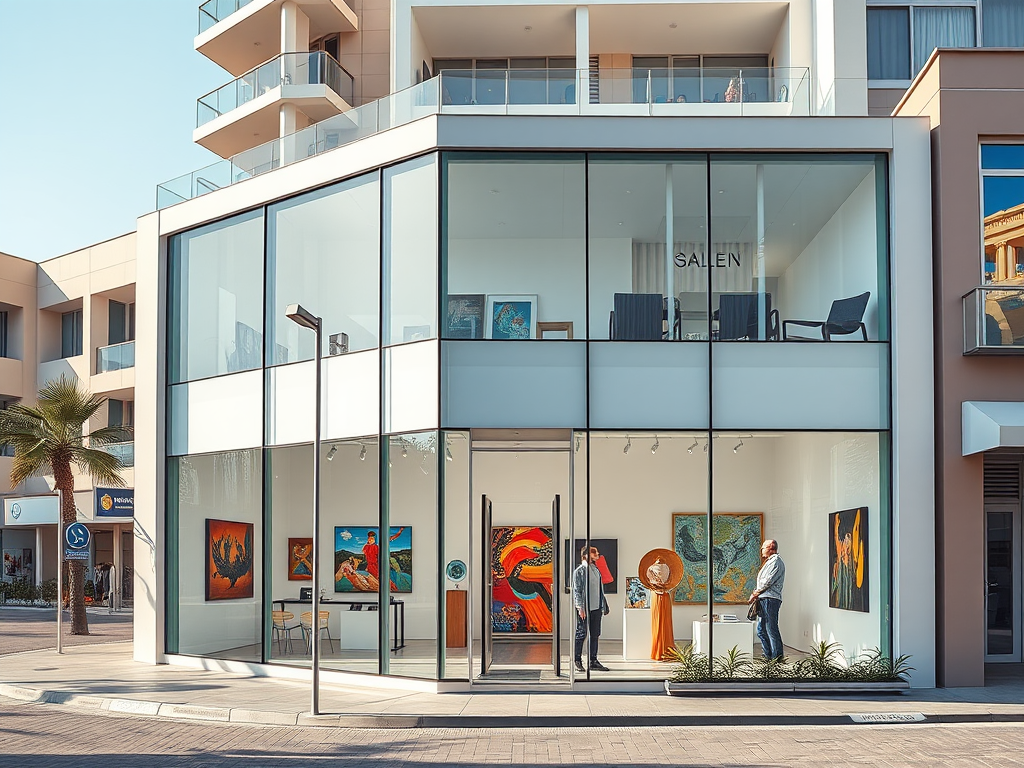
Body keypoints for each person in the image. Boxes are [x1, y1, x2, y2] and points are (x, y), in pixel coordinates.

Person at [572, 545, 610, 672]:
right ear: (586, 555)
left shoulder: (595, 569)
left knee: (595, 634)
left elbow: (600, 590)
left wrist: (603, 605)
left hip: (596, 608)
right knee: (581, 634)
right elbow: (577, 591)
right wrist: (580, 608)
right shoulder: (579, 571)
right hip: (585, 609)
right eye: (595, 553)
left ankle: (593, 660)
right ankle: (577, 660)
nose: (597, 555)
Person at [748, 539, 786, 660]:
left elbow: (767, 581)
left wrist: (755, 593)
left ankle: (777, 657)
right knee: (761, 629)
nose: (761, 550)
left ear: (770, 548)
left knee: (771, 628)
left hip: (770, 599)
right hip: (764, 599)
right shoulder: (770, 561)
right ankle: (768, 655)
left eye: (763, 547)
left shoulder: (776, 562)